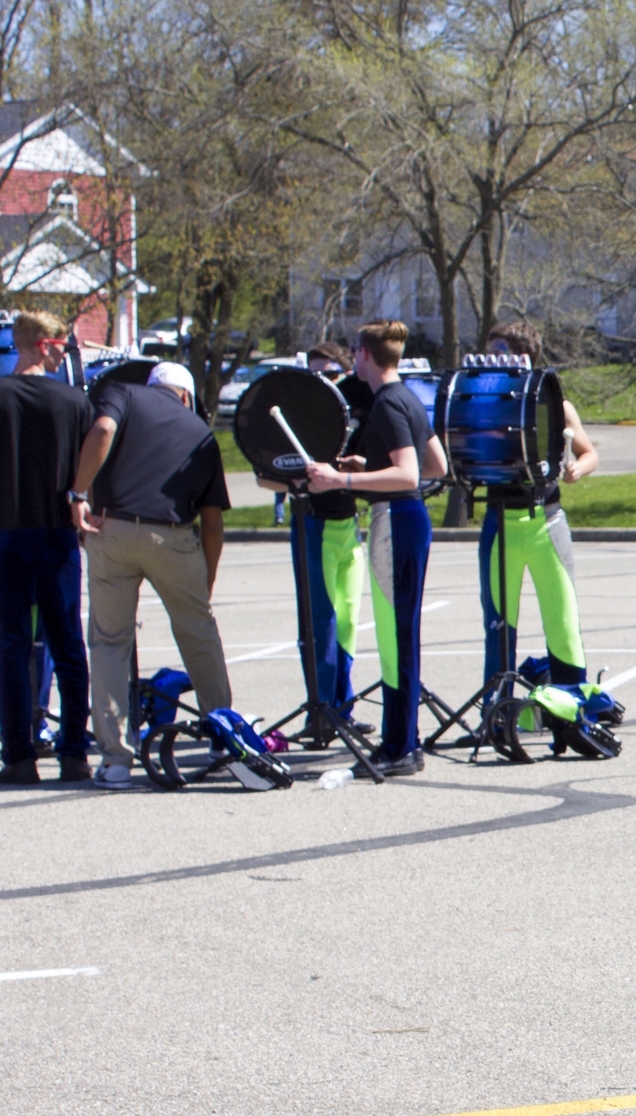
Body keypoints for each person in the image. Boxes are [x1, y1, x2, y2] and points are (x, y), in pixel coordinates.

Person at [68, 362, 236, 789]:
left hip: (112, 528)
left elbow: (102, 430)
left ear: (154, 385)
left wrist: (77, 492)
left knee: (109, 641)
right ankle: (222, 736)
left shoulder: (123, 394)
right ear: (185, 394)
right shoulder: (201, 430)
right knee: (199, 633)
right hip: (174, 538)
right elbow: (213, 524)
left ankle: (117, 761)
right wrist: (206, 580)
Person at [0, 310, 92, 785]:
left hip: (8, 535)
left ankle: (19, 758)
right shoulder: (74, 401)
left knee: (12, 646)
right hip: (57, 534)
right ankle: (73, 752)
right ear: (43, 344)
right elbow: (92, 464)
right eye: (63, 346)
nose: (66, 354)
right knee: (67, 644)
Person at [305, 320, 443, 775]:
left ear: (364, 355)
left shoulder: (385, 404)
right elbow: (436, 464)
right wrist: (370, 465)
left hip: (395, 519)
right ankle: (408, 740)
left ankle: (398, 746)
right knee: (400, 634)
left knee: (394, 638)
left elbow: (409, 474)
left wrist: (341, 479)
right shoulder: (407, 397)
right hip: (409, 519)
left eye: (354, 353)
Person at [475, 321, 599, 687]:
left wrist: (578, 467)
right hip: (501, 523)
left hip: (546, 520)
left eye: (499, 352)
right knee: (498, 626)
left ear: (523, 357)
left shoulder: (556, 404)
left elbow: (589, 452)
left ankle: (571, 708)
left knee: (562, 620)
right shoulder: (486, 405)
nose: (492, 361)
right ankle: (495, 713)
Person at [258, 342, 367, 741]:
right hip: (313, 525)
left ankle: (344, 708)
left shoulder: (351, 419)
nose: (326, 381)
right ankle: (320, 712)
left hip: (349, 527)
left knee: (350, 622)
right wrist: (296, 481)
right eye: (317, 374)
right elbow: (263, 476)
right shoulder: (297, 422)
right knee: (320, 624)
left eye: (333, 374)